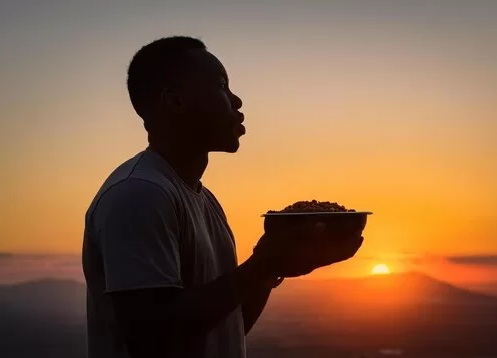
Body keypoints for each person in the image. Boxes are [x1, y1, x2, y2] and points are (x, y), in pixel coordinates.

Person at [81, 36, 364, 358]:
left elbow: (226, 326)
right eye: (221, 86)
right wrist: (262, 264)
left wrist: (272, 265)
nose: (237, 100)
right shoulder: (139, 194)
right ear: (174, 101)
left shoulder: (202, 199)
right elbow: (153, 338)